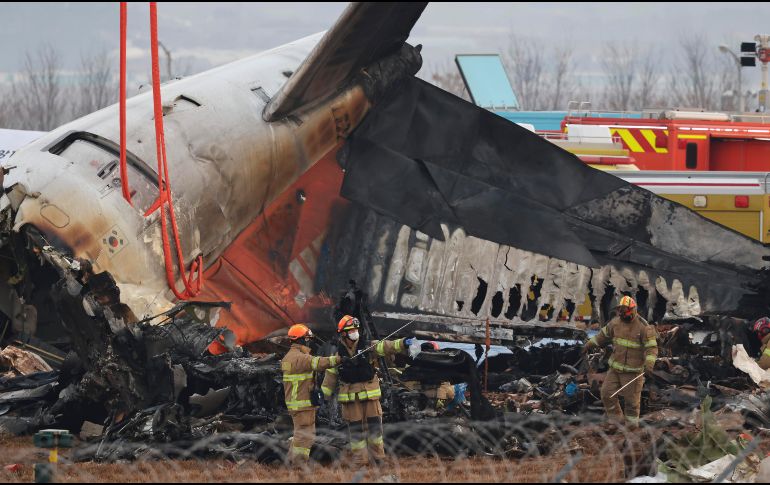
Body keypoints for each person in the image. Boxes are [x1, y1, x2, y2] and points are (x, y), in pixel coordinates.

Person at [321, 315, 413, 466]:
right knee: (356, 432)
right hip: (351, 399)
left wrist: (403, 343)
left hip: (370, 395)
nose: (355, 333)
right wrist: (324, 397)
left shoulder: (369, 347)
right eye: (351, 331)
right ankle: (360, 460)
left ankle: (378, 458)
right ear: (343, 334)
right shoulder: (337, 355)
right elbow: (330, 376)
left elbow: (386, 346)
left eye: (356, 330)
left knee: (375, 429)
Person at [582, 295, 657, 426]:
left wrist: (649, 364)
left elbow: (652, 348)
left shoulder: (644, 327)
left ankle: (631, 428)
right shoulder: (615, 323)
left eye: (625, 311)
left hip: (632, 372)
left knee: (631, 402)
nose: (622, 314)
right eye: (620, 311)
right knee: (606, 394)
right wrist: (588, 345)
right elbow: (601, 336)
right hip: (615, 369)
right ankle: (617, 423)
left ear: (633, 310)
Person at [281, 323, 340, 464]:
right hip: (302, 404)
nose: (309, 341)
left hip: (297, 403)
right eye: (307, 339)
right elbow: (318, 363)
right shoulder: (300, 358)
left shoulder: (289, 357)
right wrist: (339, 359)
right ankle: (298, 465)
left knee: (300, 435)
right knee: (305, 437)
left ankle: (291, 461)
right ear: (301, 339)